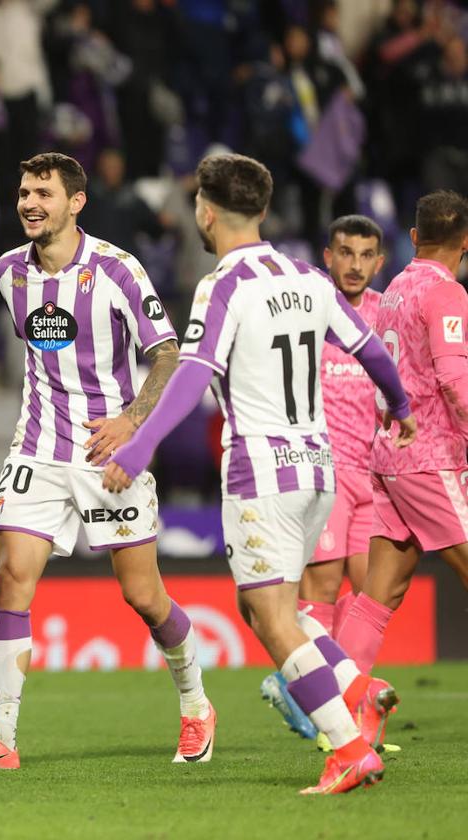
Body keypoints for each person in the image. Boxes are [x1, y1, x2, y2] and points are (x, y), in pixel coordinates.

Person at [103, 153, 415, 795]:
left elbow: (193, 375)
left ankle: (349, 749)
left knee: (272, 616)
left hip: (261, 474)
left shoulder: (223, 285)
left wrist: (138, 444)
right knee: (262, 606)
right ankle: (359, 685)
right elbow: (372, 350)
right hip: (318, 470)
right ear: (264, 211)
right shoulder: (307, 277)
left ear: (204, 211)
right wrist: (402, 406)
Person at [0, 152, 213, 770]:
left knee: (142, 594)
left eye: (44, 194)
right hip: (37, 447)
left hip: (108, 450)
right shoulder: (8, 271)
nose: (30, 203)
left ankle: (195, 704)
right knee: (12, 577)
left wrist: (131, 424)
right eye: (24, 192)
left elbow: (168, 357)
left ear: (76, 202)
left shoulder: (117, 269)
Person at [335, 191, 468, 717]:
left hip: (386, 459)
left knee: (379, 595)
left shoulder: (392, 290)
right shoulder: (446, 294)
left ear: (414, 238)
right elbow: (454, 378)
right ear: (465, 242)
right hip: (430, 456)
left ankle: (336, 707)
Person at [260, 215, 386, 741]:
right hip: (324, 471)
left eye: (365, 255)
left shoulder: (385, 314)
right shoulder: (309, 309)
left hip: (376, 478)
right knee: (323, 588)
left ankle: (328, 698)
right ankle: (326, 708)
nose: (355, 264)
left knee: (372, 590)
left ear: (380, 261)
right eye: (345, 252)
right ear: (327, 256)